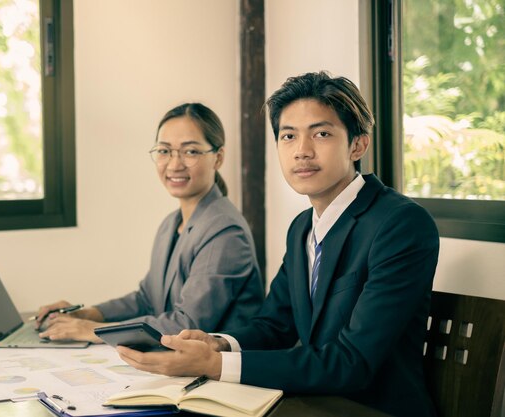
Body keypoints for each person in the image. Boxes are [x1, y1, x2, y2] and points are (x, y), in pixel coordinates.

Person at [116, 72, 440, 417]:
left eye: (322, 133)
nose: (302, 151)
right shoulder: (302, 228)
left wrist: (216, 364)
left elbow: (352, 362)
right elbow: (274, 326)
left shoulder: (400, 224)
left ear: (358, 144)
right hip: (309, 402)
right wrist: (218, 343)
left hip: (373, 409)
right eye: (288, 136)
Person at [37, 103, 264, 344]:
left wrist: (92, 330)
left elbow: (187, 324)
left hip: (217, 373)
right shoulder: (171, 224)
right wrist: (86, 313)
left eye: (190, 152)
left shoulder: (225, 231)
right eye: (164, 151)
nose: (174, 164)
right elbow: (147, 299)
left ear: (218, 158)